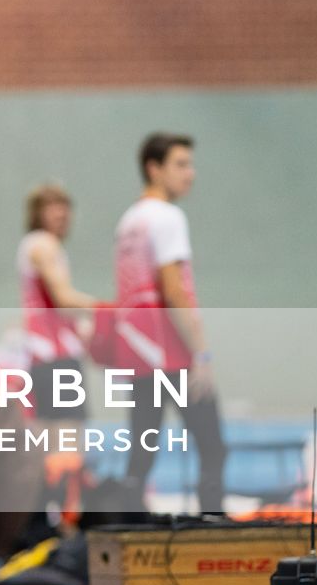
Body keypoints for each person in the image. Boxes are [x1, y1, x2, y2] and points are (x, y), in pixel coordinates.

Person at [113, 133, 226, 514]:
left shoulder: (129, 221)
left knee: (141, 449)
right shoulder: (167, 218)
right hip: (171, 354)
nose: (190, 174)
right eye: (180, 165)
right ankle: (212, 525)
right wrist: (201, 353)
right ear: (154, 168)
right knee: (212, 445)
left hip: (138, 353)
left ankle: (127, 525)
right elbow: (174, 291)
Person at [18, 182, 100, 409]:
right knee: (68, 439)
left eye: (65, 207)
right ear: (37, 213)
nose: (61, 214)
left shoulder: (35, 246)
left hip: (43, 355)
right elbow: (62, 299)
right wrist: (108, 309)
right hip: (55, 356)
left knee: (53, 438)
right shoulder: (44, 244)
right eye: (52, 207)